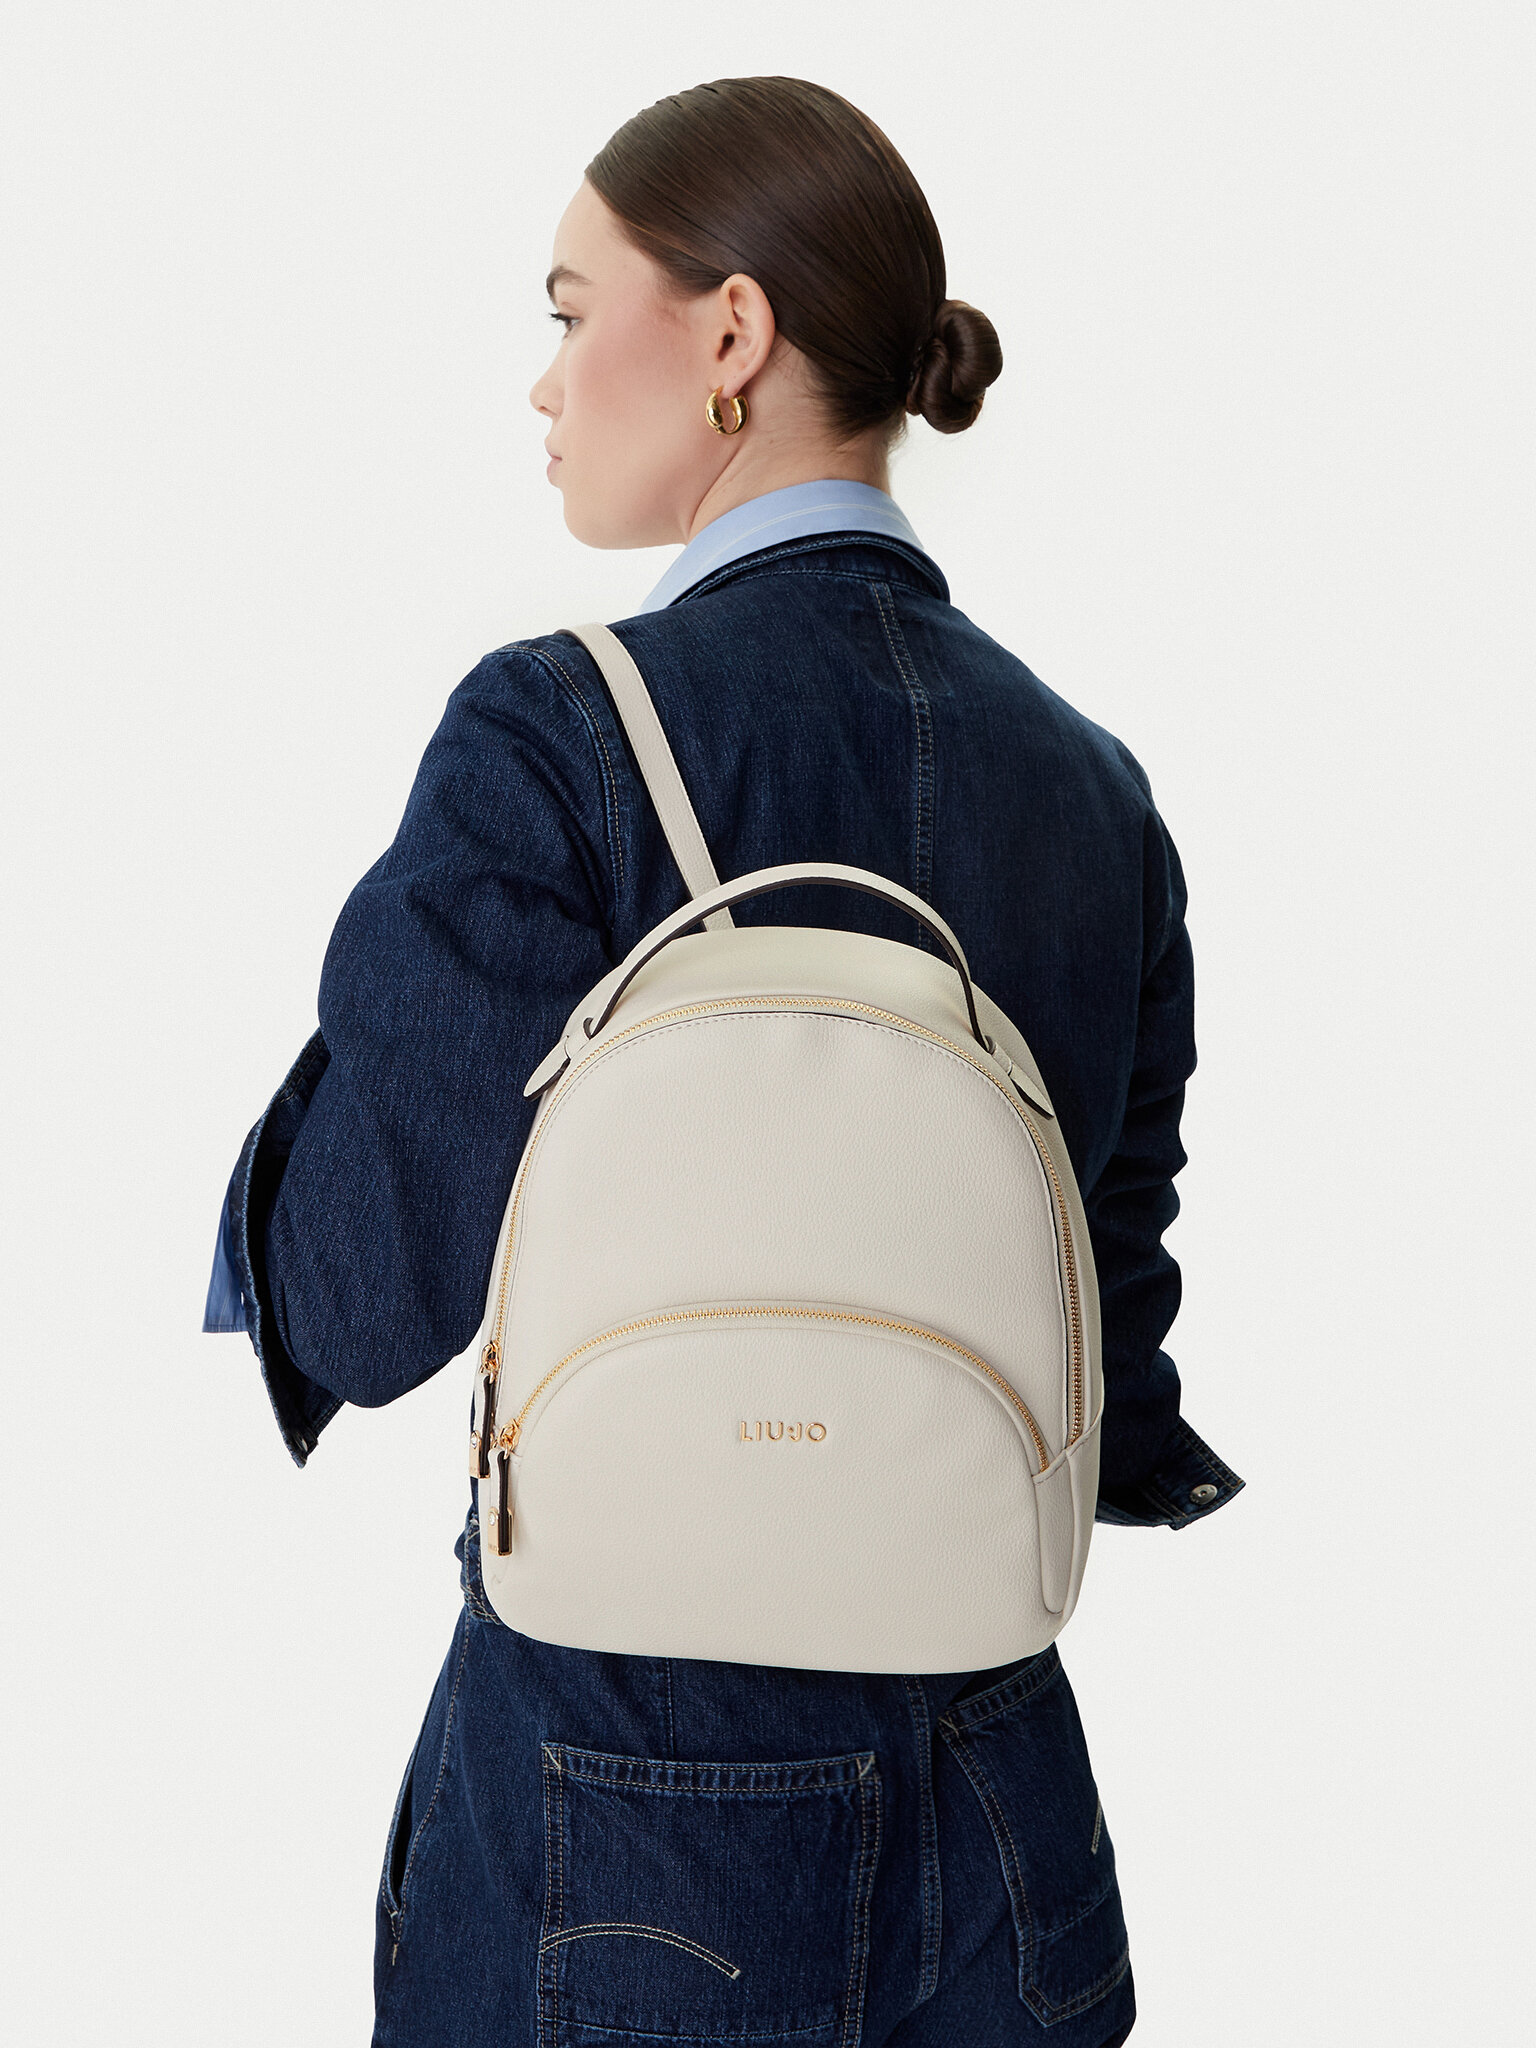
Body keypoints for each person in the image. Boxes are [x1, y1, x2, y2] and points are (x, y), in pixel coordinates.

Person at [205, 74, 1243, 2048]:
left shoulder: (558, 736)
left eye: (570, 310)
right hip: (1008, 1821)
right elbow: (1104, 1352)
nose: (545, 381)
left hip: (617, 1837)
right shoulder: (1097, 795)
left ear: (733, 337)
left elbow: (356, 1298)